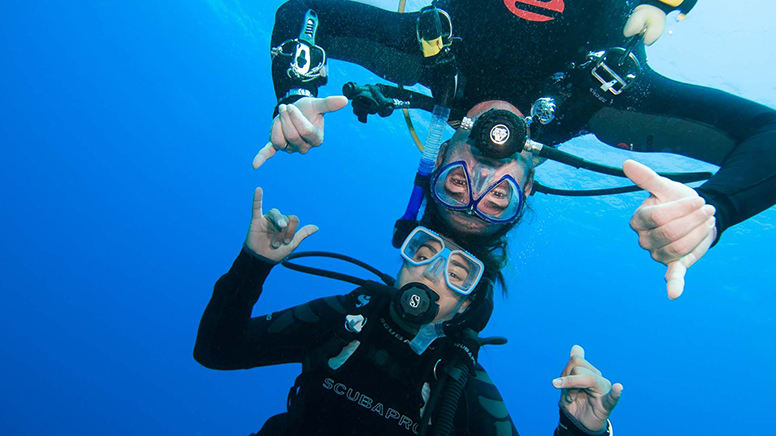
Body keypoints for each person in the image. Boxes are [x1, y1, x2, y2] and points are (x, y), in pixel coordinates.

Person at [252, 0, 775, 298]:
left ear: (436, 162)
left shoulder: (426, 59)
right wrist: (718, 209)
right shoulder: (606, 102)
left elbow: (306, 11)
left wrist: (294, 92)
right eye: (499, 197)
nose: (485, 170)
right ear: (528, 186)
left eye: (458, 184)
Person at [193, 186, 623, 435]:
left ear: (468, 304)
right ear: (403, 260)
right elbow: (217, 350)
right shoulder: (346, 318)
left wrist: (580, 431)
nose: (432, 274)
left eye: (458, 272)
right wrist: (253, 264)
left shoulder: (459, 381)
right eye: (424, 252)